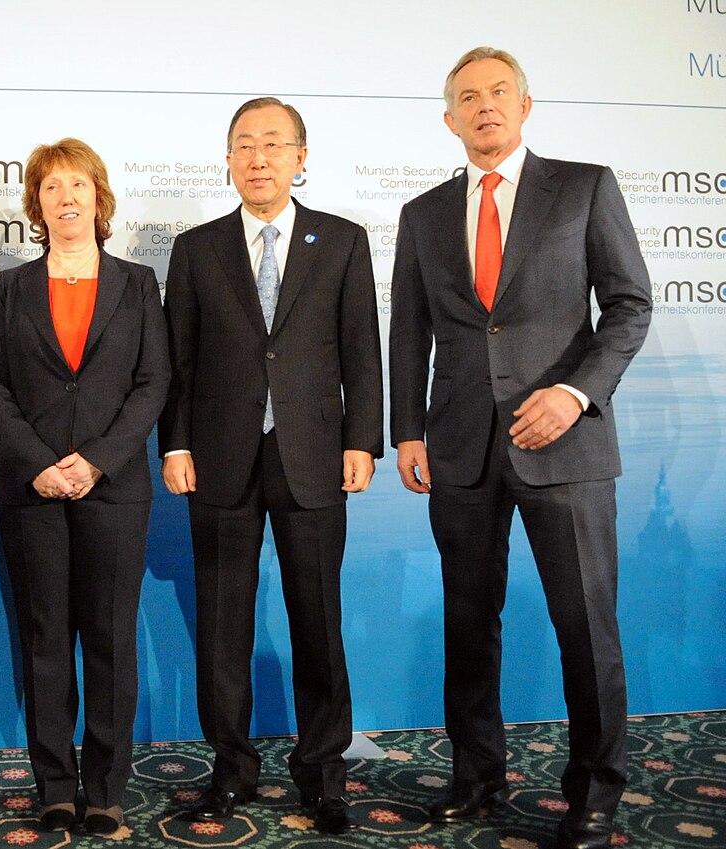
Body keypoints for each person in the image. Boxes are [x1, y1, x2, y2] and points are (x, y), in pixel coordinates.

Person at [389, 47, 651, 849]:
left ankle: (596, 791)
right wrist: (406, 430)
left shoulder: (584, 187)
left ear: (526, 106)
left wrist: (574, 393)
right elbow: (408, 332)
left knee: (585, 625)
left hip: (565, 447)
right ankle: (476, 776)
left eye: (499, 92)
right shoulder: (424, 214)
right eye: (467, 97)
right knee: (469, 622)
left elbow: (630, 306)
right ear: (449, 119)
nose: (485, 106)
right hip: (461, 447)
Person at [158, 98, 382, 835]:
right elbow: (178, 361)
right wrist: (175, 442)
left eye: (274, 144)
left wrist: (363, 439)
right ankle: (232, 770)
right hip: (218, 458)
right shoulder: (195, 248)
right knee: (223, 622)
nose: (259, 157)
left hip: (314, 454)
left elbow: (361, 350)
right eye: (245, 145)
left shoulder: (343, 240)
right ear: (227, 159)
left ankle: (322, 773)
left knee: (318, 619)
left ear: (301, 156)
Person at [0, 138, 170, 836]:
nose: (66, 199)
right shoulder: (13, 287)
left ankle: (107, 788)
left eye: (78, 186)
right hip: (33, 490)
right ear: (37, 204)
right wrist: (37, 462)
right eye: (52, 188)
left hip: (113, 489)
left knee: (111, 639)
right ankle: (56, 784)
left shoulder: (138, 284)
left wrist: (95, 460)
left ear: (99, 198)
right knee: (46, 641)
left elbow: (153, 382)